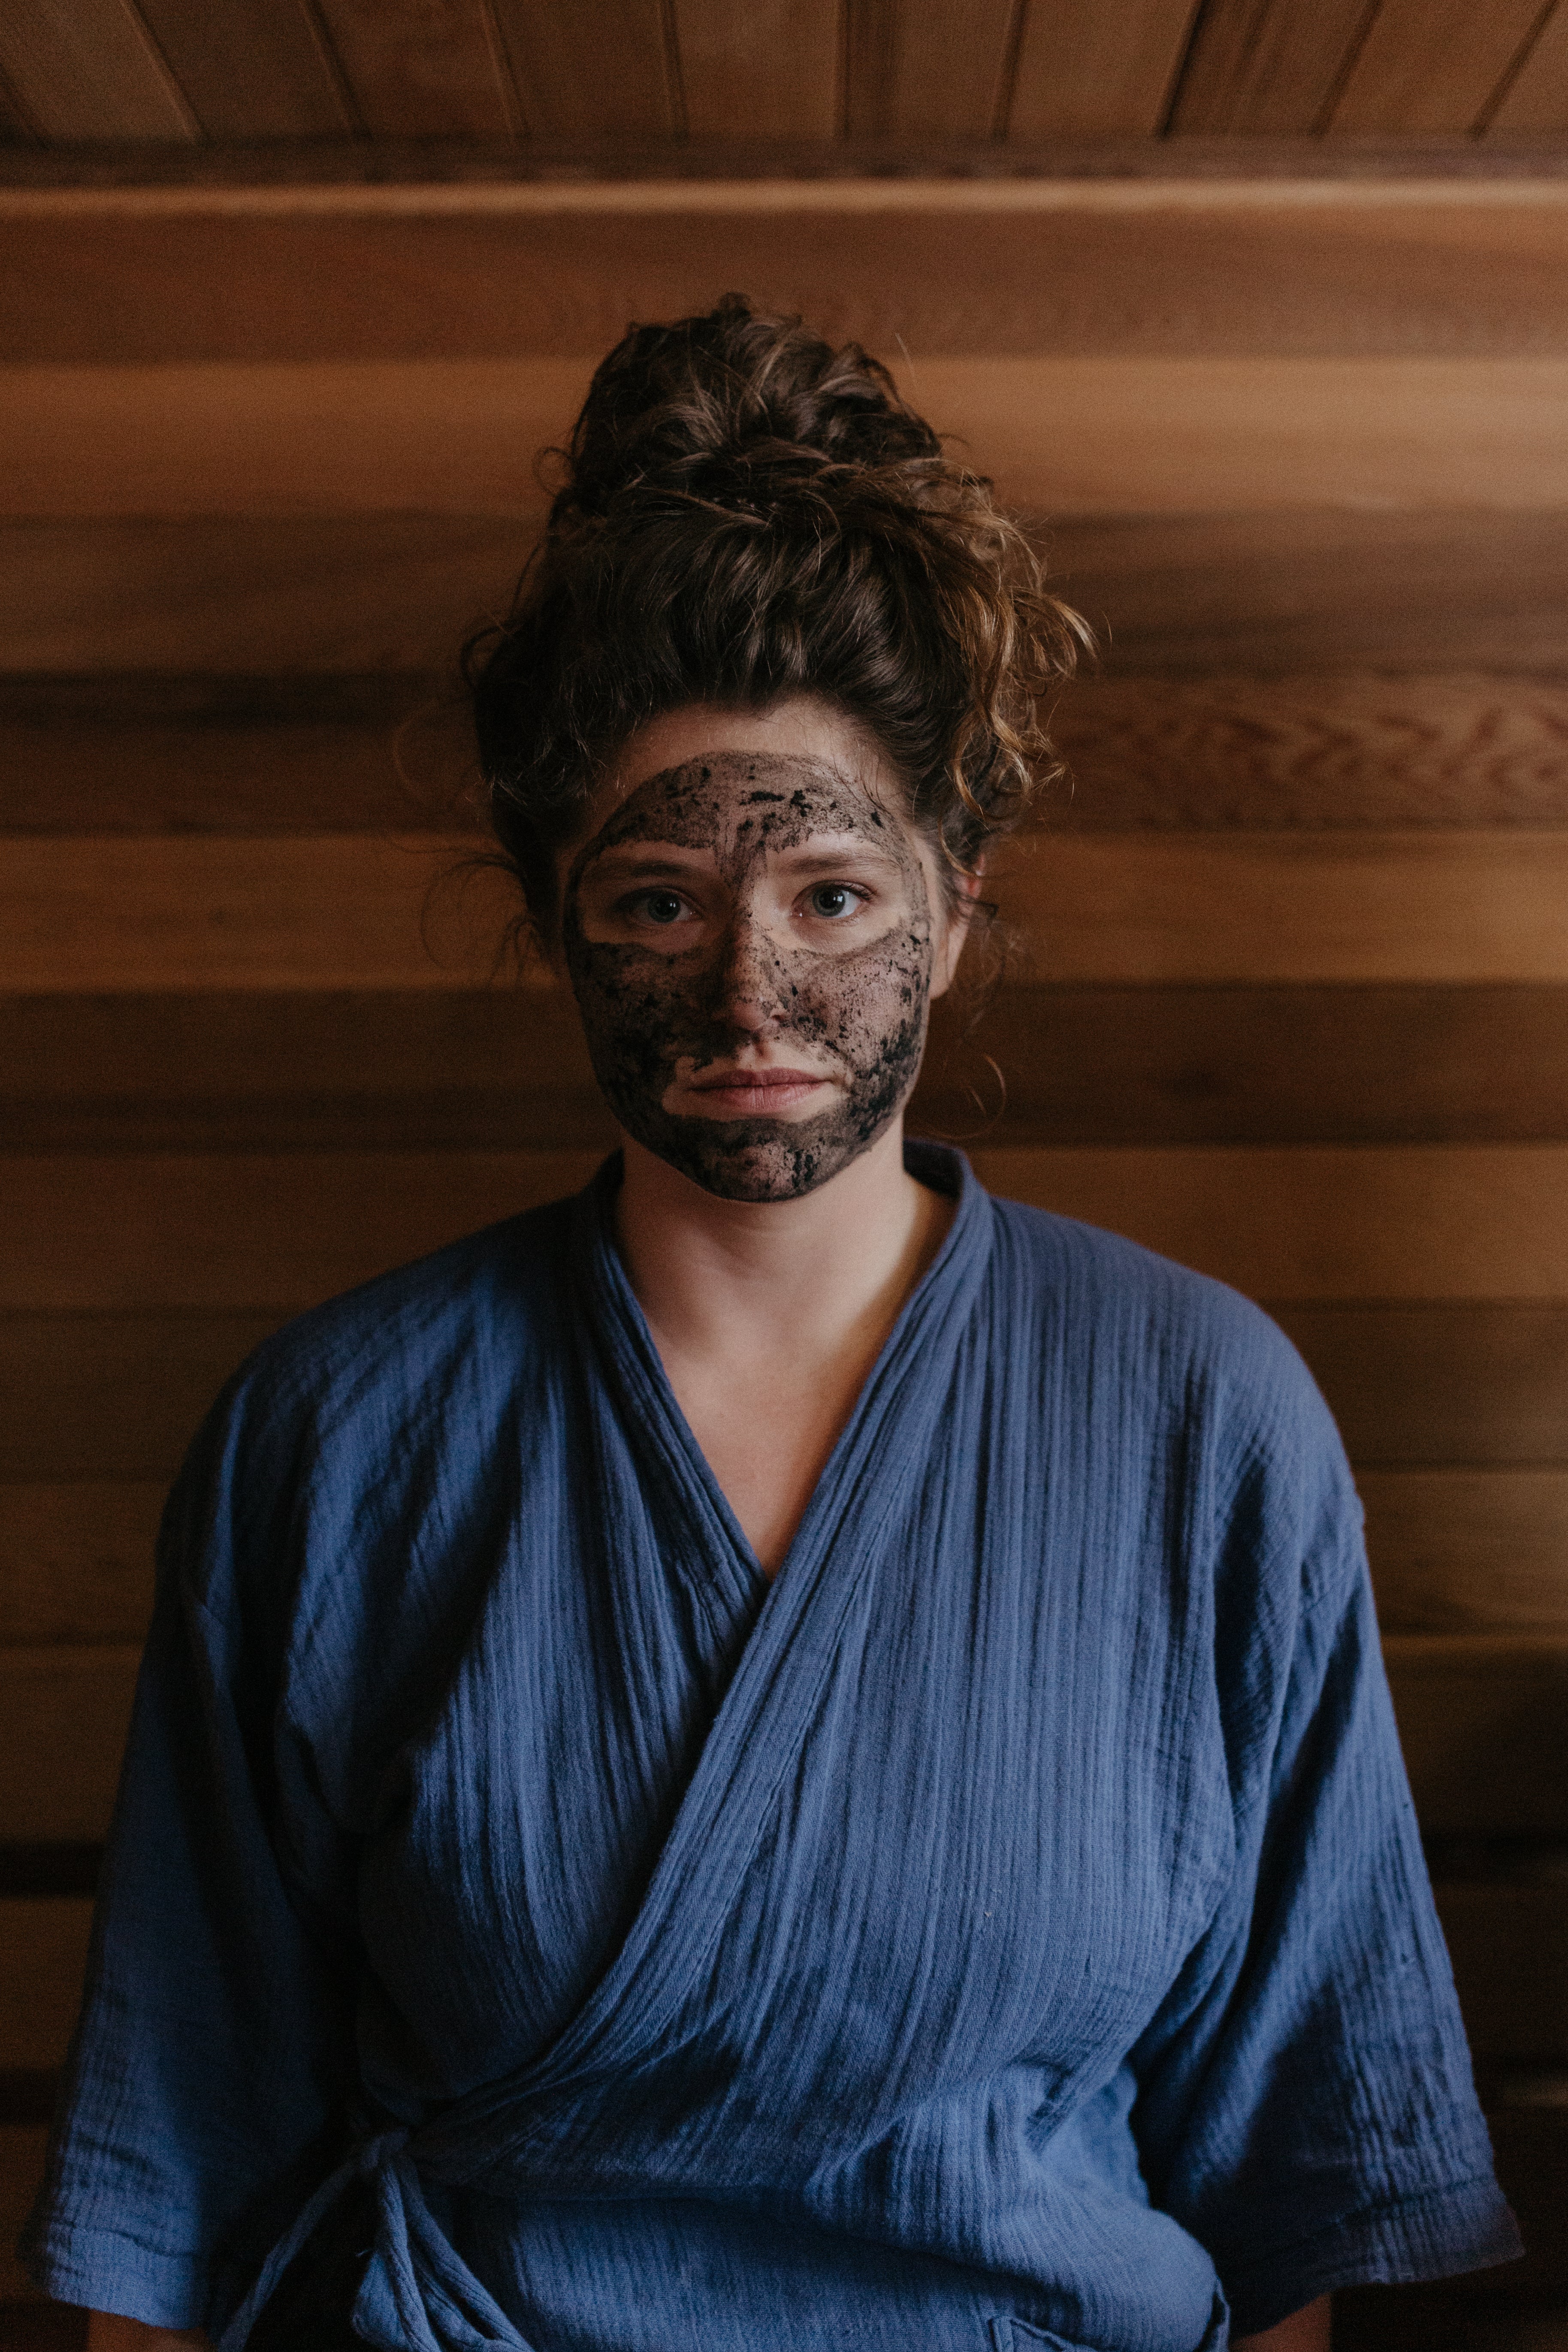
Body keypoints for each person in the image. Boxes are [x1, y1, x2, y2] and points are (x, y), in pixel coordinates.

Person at [29, 297, 1517, 2352]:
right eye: (654, 900)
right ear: (551, 911)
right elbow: (174, 2181)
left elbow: (1290, 2168)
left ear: (955, 900)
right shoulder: (339, 1433)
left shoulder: (1198, 1414)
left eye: (826, 892)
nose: (746, 989)